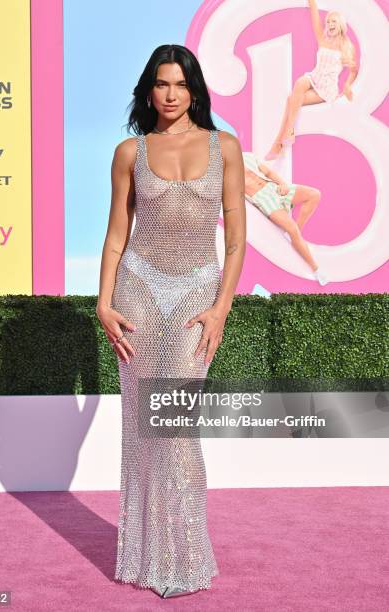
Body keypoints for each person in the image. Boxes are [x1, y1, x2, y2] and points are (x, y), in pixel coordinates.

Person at [96, 44, 245, 598]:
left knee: (175, 427)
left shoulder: (224, 147)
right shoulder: (128, 153)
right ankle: (145, 555)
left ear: (196, 90)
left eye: (180, 85)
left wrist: (221, 308)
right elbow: (116, 237)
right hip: (137, 294)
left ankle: (185, 555)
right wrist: (103, 303)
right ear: (149, 90)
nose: (171, 94)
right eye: (161, 84)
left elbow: (236, 240)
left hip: (195, 299)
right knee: (143, 432)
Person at [265, 0, 358, 160]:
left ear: (341, 24)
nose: (329, 24)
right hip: (314, 77)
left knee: (290, 100)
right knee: (300, 82)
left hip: (326, 89)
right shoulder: (323, 39)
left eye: (333, 21)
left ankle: (278, 144)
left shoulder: (346, 46)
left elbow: (353, 69)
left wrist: (347, 85)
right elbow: (314, 12)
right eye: (328, 21)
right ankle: (289, 131)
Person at [243, 151, 328, 285]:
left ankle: (296, 234)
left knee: (314, 194)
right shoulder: (223, 173)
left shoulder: (247, 156)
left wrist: (282, 184)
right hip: (263, 199)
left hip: (274, 188)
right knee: (292, 229)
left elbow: (269, 173)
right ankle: (316, 268)